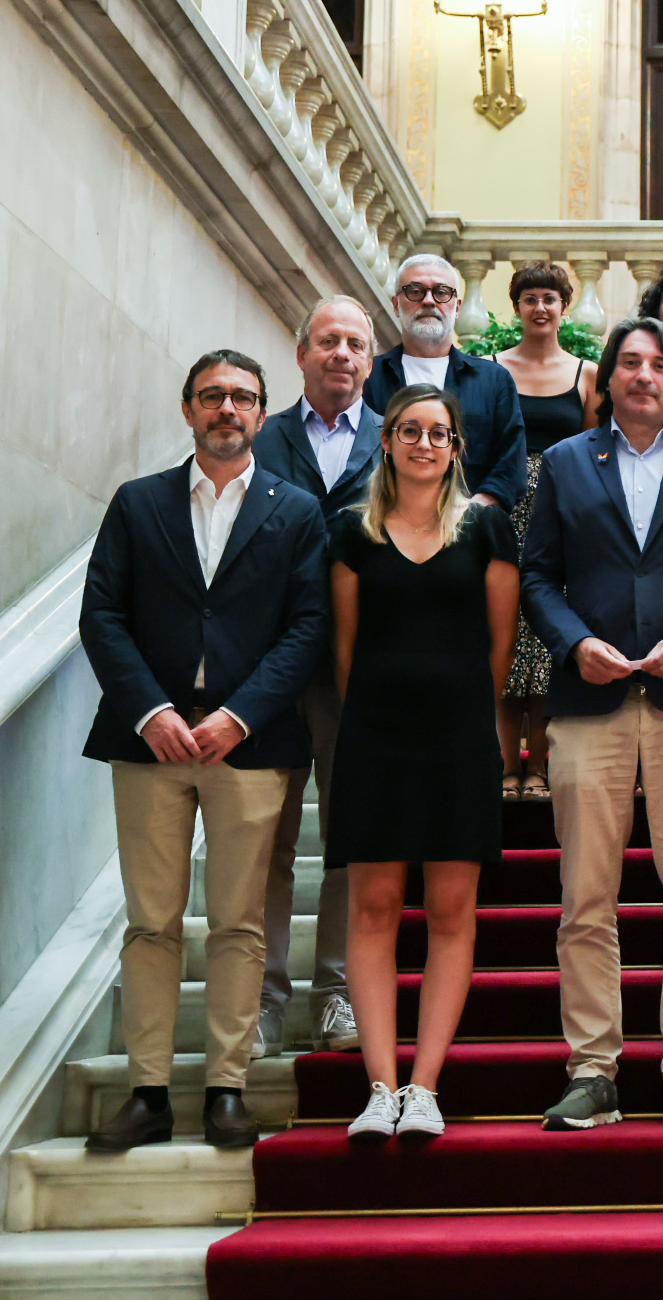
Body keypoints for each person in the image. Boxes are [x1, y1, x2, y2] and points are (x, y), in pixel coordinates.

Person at [78, 350, 328, 1152]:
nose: (228, 409)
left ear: (263, 414)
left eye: (244, 398)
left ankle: (227, 1087)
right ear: (188, 409)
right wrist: (149, 707)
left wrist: (240, 715)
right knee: (151, 922)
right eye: (213, 396)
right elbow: (102, 615)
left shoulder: (296, 513)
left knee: (239, 923)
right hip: (148, 740)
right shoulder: (137, 502)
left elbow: (307, 628)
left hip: (247, 749)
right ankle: (147, 1091)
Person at [520, 319, 663, 1132]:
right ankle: (593, 1067)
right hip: (591, 702)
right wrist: (572, 641)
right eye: (629, 362)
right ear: (608, 379)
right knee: (587, 894)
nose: (644, 375)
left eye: (659, 363)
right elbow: (539, 574)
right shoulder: (564, 463)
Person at [330, 386, 518, 1140]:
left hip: (458, 738)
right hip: (375, 737)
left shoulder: (486, 528)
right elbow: (345, 651)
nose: (424, 444)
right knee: (373, 910)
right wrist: (379, 711)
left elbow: (497, 649)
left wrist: (468, 713)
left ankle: (423, 1087)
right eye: (410, 430)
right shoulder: (352, 532)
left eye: (439, 433)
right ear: (387, 441)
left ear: (456, 448)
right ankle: (379, 1086)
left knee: (449, 913)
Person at [250, 298, 380, 1059]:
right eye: (327, 341)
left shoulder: (398, 445)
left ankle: (336, 993)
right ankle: (264, 999)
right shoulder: (260, 439)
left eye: (355, 344)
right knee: (267, 839)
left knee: (347, 840)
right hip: (268, 671)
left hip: (355, 673)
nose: (341, 354)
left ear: (370, 361)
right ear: (299, 355)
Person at [492, 263, 599, 799]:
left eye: (549, 299)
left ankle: (539, 766)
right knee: (504, 635)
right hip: (500, 511)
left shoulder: (586, 374)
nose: (540, 307)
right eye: (530, 298)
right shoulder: (489, 369)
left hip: (558, 510)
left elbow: (592, 452)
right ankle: (508, 764)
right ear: (516, 307)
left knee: (543, 638)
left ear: (564, 308)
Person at [362, 253, 527, 512]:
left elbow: (511, 465)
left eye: (441, 292)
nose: (429, 301)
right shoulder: (368, 377)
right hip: (383, 531)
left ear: (457, 306)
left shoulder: (494, 381)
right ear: (396, 304)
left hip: (469, 535)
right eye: (415, 291)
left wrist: (468, 513)